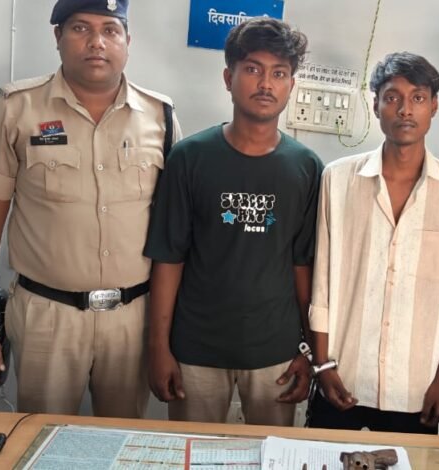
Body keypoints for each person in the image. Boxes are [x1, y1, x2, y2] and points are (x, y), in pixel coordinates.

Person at [0, 0, 181, 418]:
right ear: (57, 37)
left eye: (110, 30)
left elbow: (174, 229)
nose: (97, 42)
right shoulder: (15, 108)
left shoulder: (160, 116)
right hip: (47, 316)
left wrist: (166, 330)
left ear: (127, 41)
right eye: (80, 28)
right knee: (37, 434)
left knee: (122, 439)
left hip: (134, 317)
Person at [144, 17, 322, 426]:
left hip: (276, 354)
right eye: (253, 69)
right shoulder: (189, 158)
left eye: (279, 73)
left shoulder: (307, 168)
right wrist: (158, 347)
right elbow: (169, 259)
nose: (266, 84)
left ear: (291, 85)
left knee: (272, 453)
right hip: (196, 350)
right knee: (192, 451)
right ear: (229, 77)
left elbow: (304, 266)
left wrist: (308, 349)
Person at [308, 52, 439, 434]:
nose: (405, 109)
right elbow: (322, 283)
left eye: (418, 97)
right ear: (376, 105)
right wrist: (323, 365)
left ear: (434, 106)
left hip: (416, 386)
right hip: (344, 374)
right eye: (392, 97)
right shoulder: (338, 180)